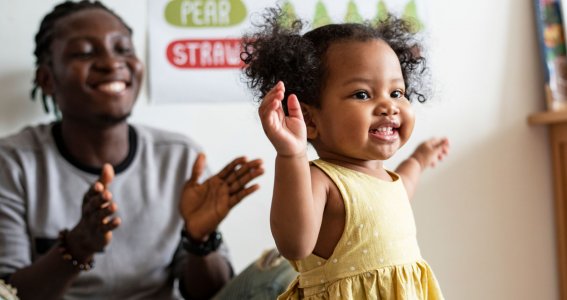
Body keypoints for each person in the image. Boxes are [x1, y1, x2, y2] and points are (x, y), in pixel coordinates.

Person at [0, 1, 296, 299]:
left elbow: (212, 294)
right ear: (47, 80)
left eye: (123, 49)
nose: (111, 62)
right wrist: (75, 247)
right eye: (85, 52)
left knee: (284, 271)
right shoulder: (12, 163)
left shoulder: (179, 157)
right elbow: (8, 293)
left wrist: (199, 239)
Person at [241, 8, 450, 299]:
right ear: (311, 120)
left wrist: (420, 159)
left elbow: (404, 186)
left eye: (397, 93)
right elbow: (295, 244)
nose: (388, 106)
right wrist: (291, 155)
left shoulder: (386, 179)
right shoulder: (322, 179)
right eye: (362, 94)